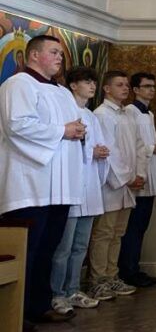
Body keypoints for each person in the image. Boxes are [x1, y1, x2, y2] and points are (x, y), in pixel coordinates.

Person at [0, 35, 84, 330]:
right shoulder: (19, 84)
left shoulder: (61, 91)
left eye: (61, 52)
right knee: (29, 250)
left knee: (49, 248)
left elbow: (71, 127)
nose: (60, 57)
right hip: (31, 184)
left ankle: (39, 305)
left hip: (58, 186)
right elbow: (17, 125)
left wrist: (76, 130)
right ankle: (13, 312)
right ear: (34, 55)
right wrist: (63, 130)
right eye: (53, 52)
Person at [50, 67, 107, 313]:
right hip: (70, 184)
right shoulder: (65, 110)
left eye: (94, 82)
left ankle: (73, 288)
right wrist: (90, 151)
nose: (92, 86)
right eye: (87, 81)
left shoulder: (91, 116)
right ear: (73, 85)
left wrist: (100, 152)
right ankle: (57, 293)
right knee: (64, 246)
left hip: (90, 185)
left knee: (81, 245)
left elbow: (97, 144)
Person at [88, 70, 143, 301]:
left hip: (128, 183)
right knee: (104, 232)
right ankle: (98, 279)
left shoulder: (129, 115)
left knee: (118, 233)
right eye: (119, 85)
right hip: (111, 183)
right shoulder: (102, 114)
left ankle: (112, 275)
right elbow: (108, 150)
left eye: (126, 85)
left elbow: (138, 146)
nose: (125, 88)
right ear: (107, 89)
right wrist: (125, 177)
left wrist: (139, 173)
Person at [120, 72, 156, 288]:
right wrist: (152, 148)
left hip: (150, 170)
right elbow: (130, 144)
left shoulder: (148, 114)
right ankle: (127, 270)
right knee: (132, 227)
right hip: (138, 174)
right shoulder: (130, 112)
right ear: (136, 89)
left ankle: (134, 267)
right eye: (147, 86)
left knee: (141, 228)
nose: (152, 90)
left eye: (153, 86)